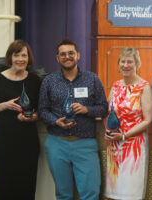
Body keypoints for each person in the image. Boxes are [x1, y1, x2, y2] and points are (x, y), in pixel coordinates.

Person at [38, 38, 108, 200]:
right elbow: (42, 110)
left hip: (85, 143)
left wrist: (86, 110)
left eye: (71, 53)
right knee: (63, 195)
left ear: (78, 55)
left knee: (91, 194)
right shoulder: (49, 81)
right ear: (57, 58)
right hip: (57, 143)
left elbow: (103, 107)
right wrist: (55, 121)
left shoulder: (92, 79)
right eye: (63, 54)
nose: (67, 57)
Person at [0, 40, 41, 200]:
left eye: (24, 55)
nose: (20, 59)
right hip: (1, 145)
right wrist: (3, 106)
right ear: (10, 57)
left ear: (29, 58)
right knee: (2, 189)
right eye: (16, 55)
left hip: (27, 145)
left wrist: (32, 117)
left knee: (26, 190)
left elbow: (42, 110)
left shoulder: (35, 81)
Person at [104, 47, 152, 200]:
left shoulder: (144, 87)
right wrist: (106, 129)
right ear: (118, 64)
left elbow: (148, 119)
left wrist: (125, 135)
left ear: (137, 64)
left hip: (133, 145)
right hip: (114, 145)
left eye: (130, 62)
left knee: (131, 191)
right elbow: (108, 112)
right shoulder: (116, 85)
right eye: (123, 61)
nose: (126, 65)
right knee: (115, 192)